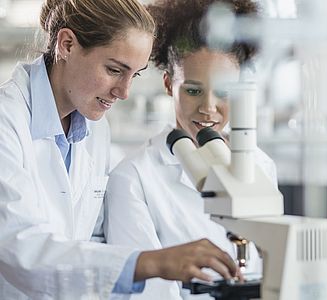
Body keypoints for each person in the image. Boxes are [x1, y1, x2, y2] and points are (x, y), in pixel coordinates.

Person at [0, 0, 238, 298]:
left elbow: (93, 241)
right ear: (67, 44)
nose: (124, 92)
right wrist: (152, 262)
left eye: (134, 75)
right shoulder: (6, 121)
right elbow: (19, 248)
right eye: (114, 69)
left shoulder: (94, 127)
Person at [104, 0, 279, 299]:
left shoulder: (260, 165)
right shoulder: (133, 178)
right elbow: (146, 293)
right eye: (193, 90)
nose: (209, 107)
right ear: (169, 84)